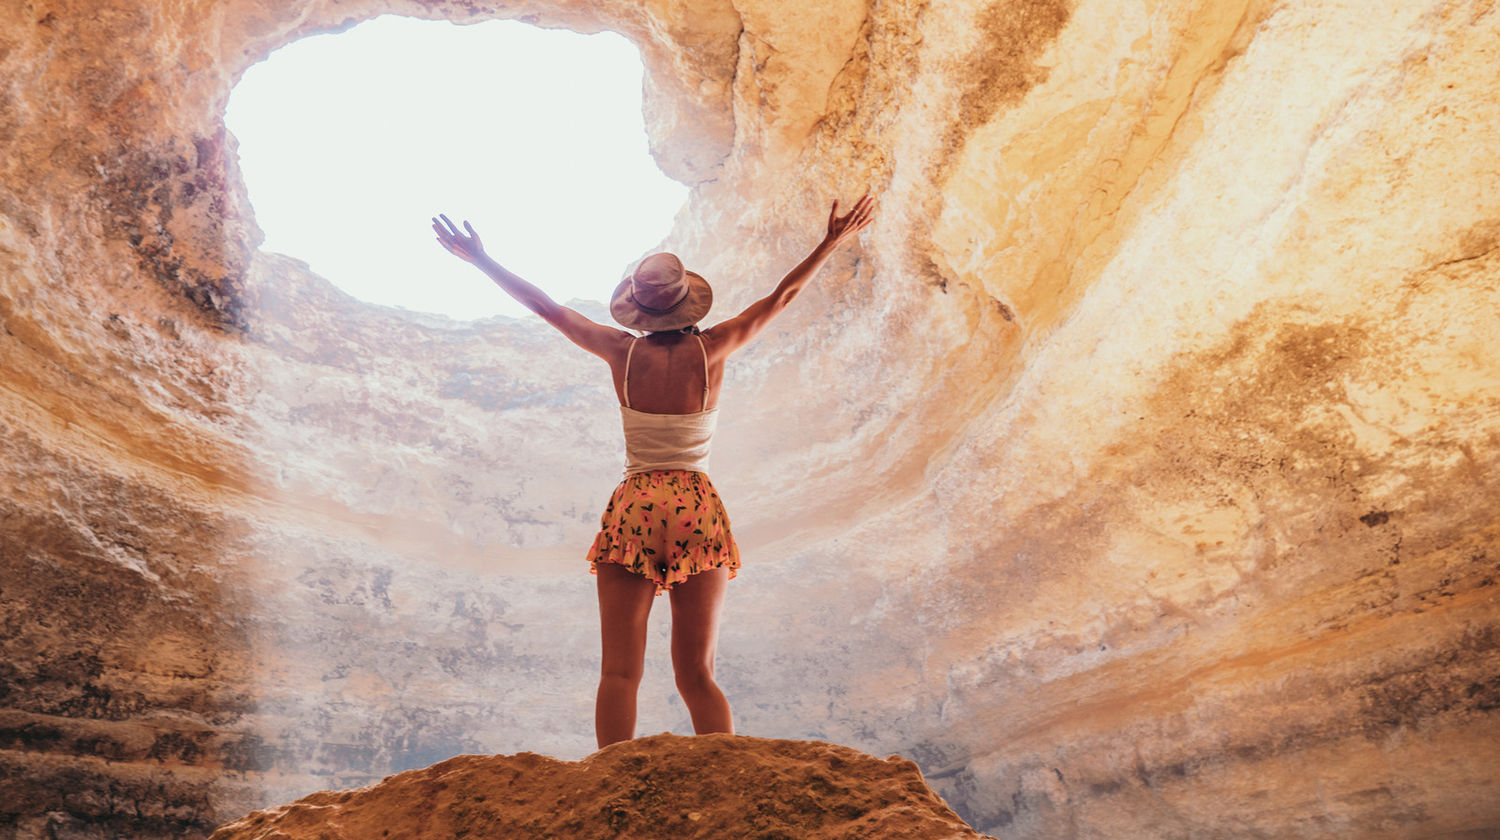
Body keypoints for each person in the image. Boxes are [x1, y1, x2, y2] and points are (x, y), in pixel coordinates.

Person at [432, 194, 876, 748]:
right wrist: (830, 240)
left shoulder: (620, 352)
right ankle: (727, 785)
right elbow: (781, 299)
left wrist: (481, 260)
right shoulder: (714, 349)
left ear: (639, 308)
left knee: (620, 673)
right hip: (695, 505)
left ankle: (612, 793)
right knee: (698, 674)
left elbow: (546, 308)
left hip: (637, 504)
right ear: (688, 302)